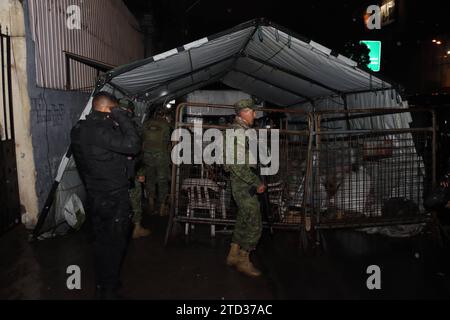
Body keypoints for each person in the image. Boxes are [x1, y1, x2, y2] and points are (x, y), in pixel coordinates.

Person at [70, 91, 141, 299]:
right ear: (108, 109)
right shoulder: (101, 130)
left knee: (102, 241)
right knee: (115, 243)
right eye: (115, 109)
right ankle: (108, 290)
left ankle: (104, 283)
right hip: (113, 196)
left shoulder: (78, 129)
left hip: (94, 193)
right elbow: (133, 145)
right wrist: (121, 116)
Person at [225, 99, 266, 277]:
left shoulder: (240, 130)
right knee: (255, 223)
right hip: (243, 183)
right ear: (243, 112)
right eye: (252, 111)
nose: (255, 115)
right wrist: (256, 182)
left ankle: (233, 254)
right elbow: (237, 165)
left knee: (243, 218)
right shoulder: (238, 132)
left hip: (242, 182)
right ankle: (244, 259)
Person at [117, 98, 151, 239]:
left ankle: (121, 229)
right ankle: (136, 227)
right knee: (134, 197)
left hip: (115, 171)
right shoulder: (135, 126)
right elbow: (140, 151)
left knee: (119, 200)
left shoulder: (109, 124)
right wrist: (141, 172)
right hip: (131, 169)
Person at [142, 109, 172, 216]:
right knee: (162, 180)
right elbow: (168, 140)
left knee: (150, 178)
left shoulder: (146, 123)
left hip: (147, 156)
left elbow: (142, 139)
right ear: (163, 115)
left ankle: (151, 203)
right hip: (161, 156)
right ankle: (162, 207)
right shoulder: (165, 125)